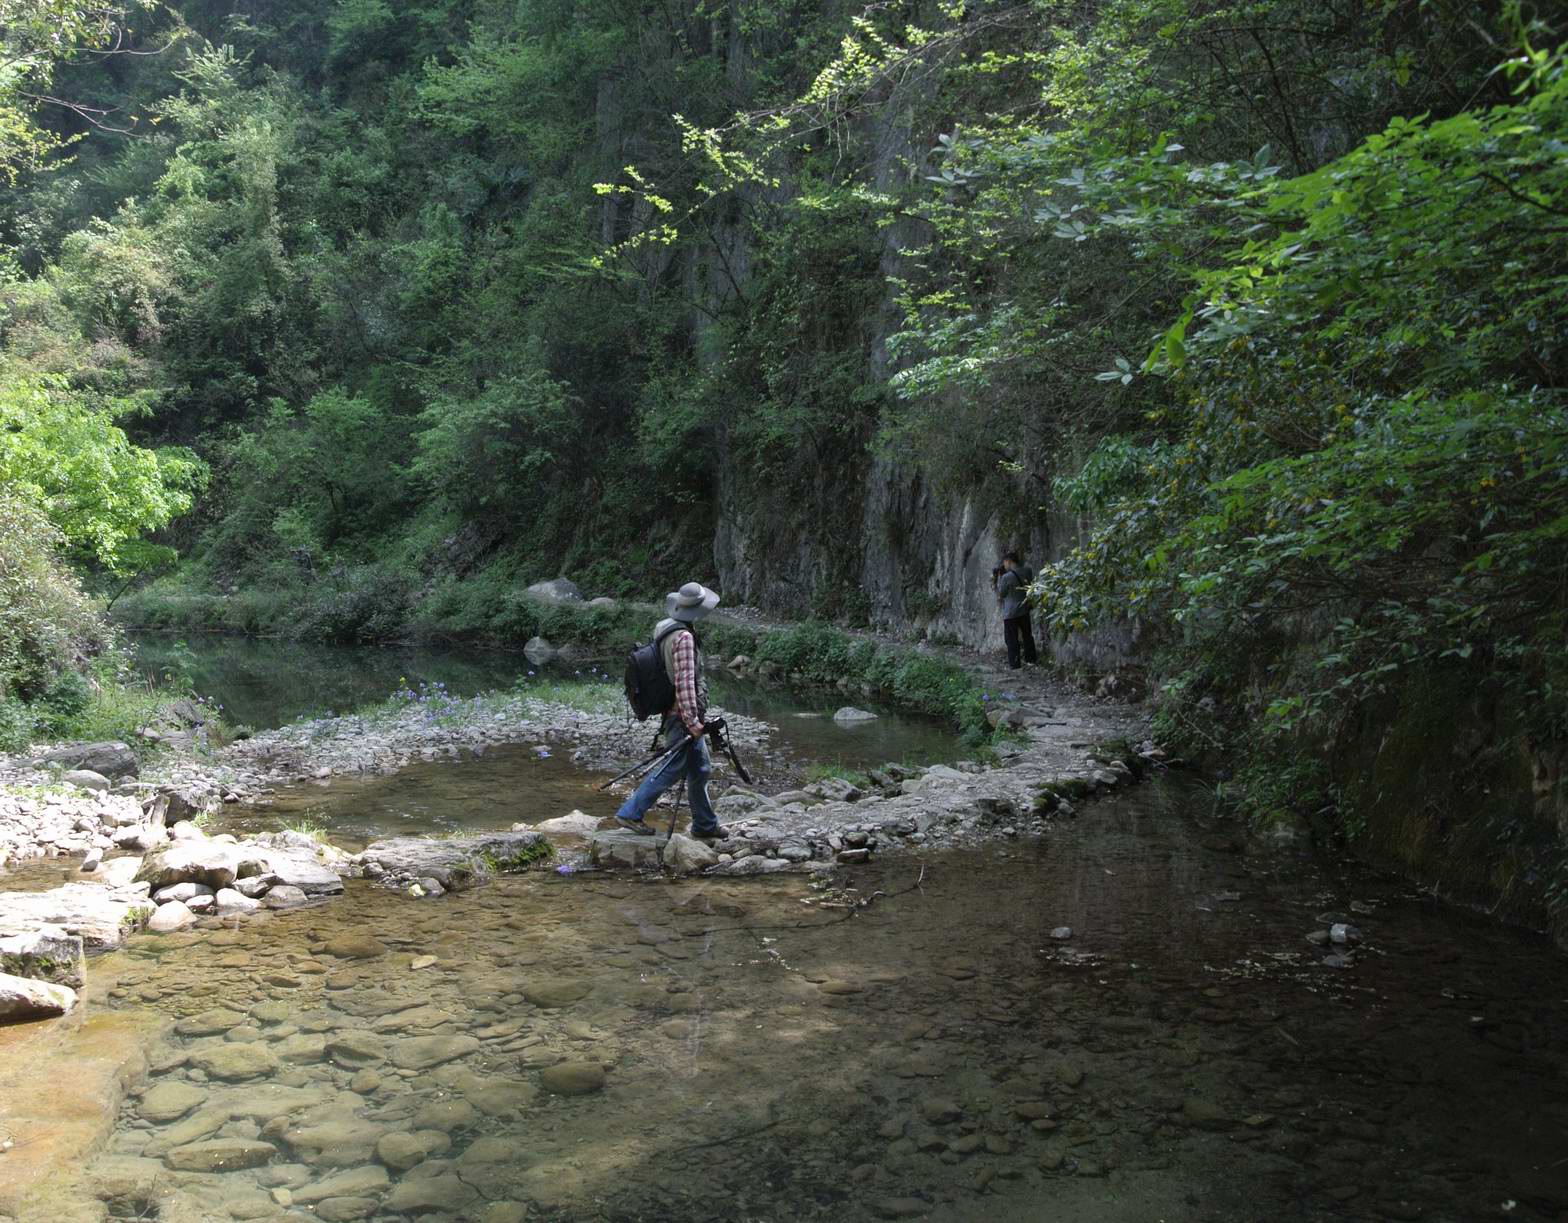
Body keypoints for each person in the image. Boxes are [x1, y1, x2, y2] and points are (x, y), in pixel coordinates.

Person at [614, 581, 728, 841]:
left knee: (700, 769)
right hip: (682, 716)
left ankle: (705, 824)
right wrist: (693, 721)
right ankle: (631, 812)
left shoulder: (665, 628)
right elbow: (685, 683)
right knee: (674, 767)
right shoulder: (685, 638)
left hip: (673, 712)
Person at [995, 551, 1039, 670]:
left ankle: (1015, 664)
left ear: (1009, 561)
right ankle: (1031, 659)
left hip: (1010, 613)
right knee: (1027, 636)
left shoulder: (1005, 577)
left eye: (1004, 563)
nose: (1004, 565)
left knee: (1011, 639)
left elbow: (1002, 593)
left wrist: (999, 578)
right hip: (1024, 609)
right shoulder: (1027, 571)